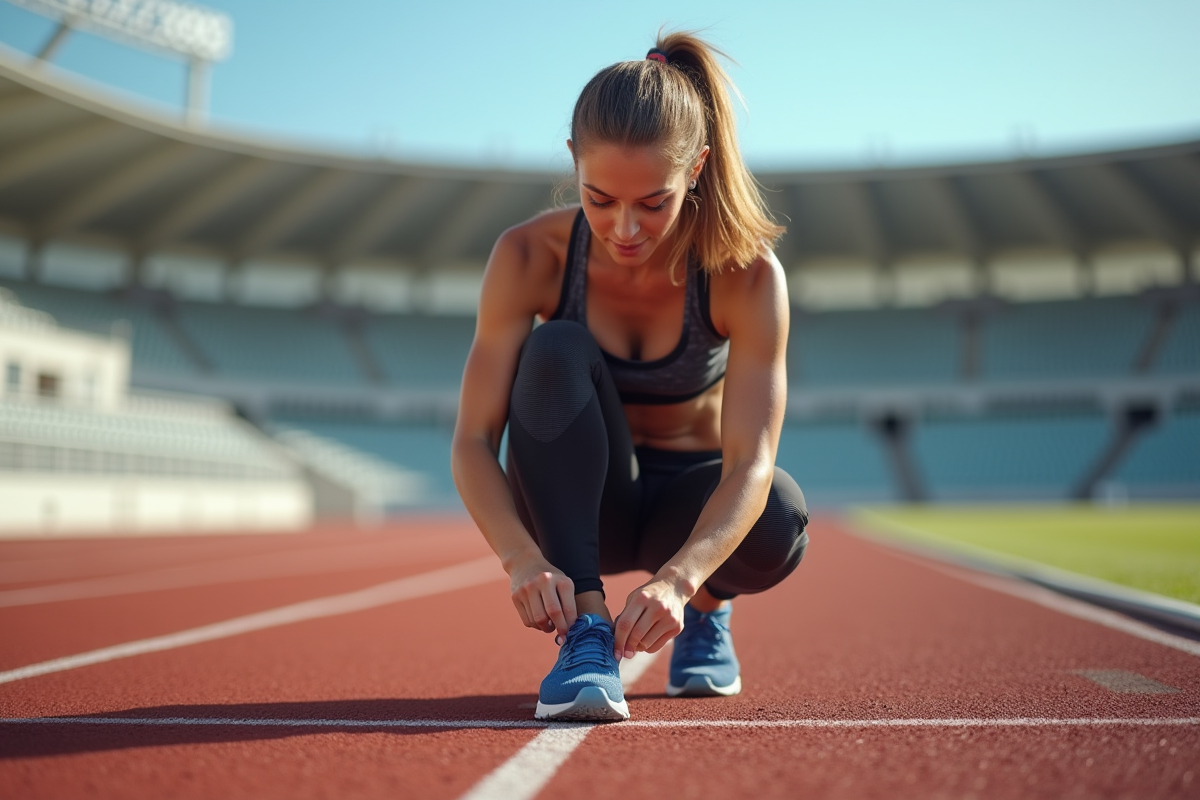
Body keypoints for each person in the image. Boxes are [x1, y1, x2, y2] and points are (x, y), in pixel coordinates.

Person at [451, 32, 808, 722]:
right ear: (572, 163)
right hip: (579, 510)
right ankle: (586, 632)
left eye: (653, 202)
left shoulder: (748, 276)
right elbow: (470, 441)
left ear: (697, 168)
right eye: (599, 197)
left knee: (781, 519)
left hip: (686, 513)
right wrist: (522, 562)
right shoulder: (529, 255)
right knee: (553, 348)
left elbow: (752, 462)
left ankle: (706, 616)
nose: (624, 228)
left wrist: (683, 581)